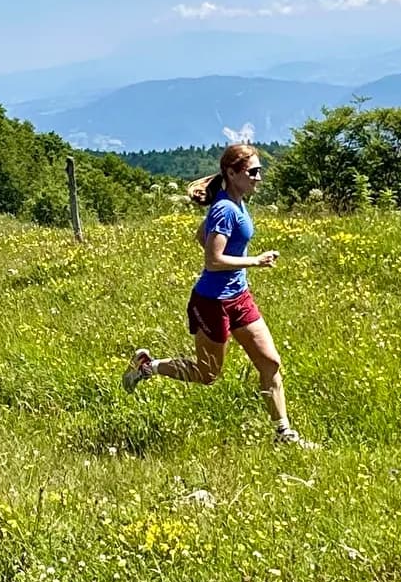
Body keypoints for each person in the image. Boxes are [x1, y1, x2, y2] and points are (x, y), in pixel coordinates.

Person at [123, 143, 315, 448]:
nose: (259, 178)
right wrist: (255, 261)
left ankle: (284, 434)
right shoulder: (226, 208)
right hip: (213, 302)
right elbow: (213, 260)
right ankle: (147, 366)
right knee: (207, 373)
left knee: (270, 362)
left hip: (239, 297)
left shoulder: (235, 201)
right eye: (253, 172)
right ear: (232, 172)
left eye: (259, 171)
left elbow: (202, 235)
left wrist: (238, 269)